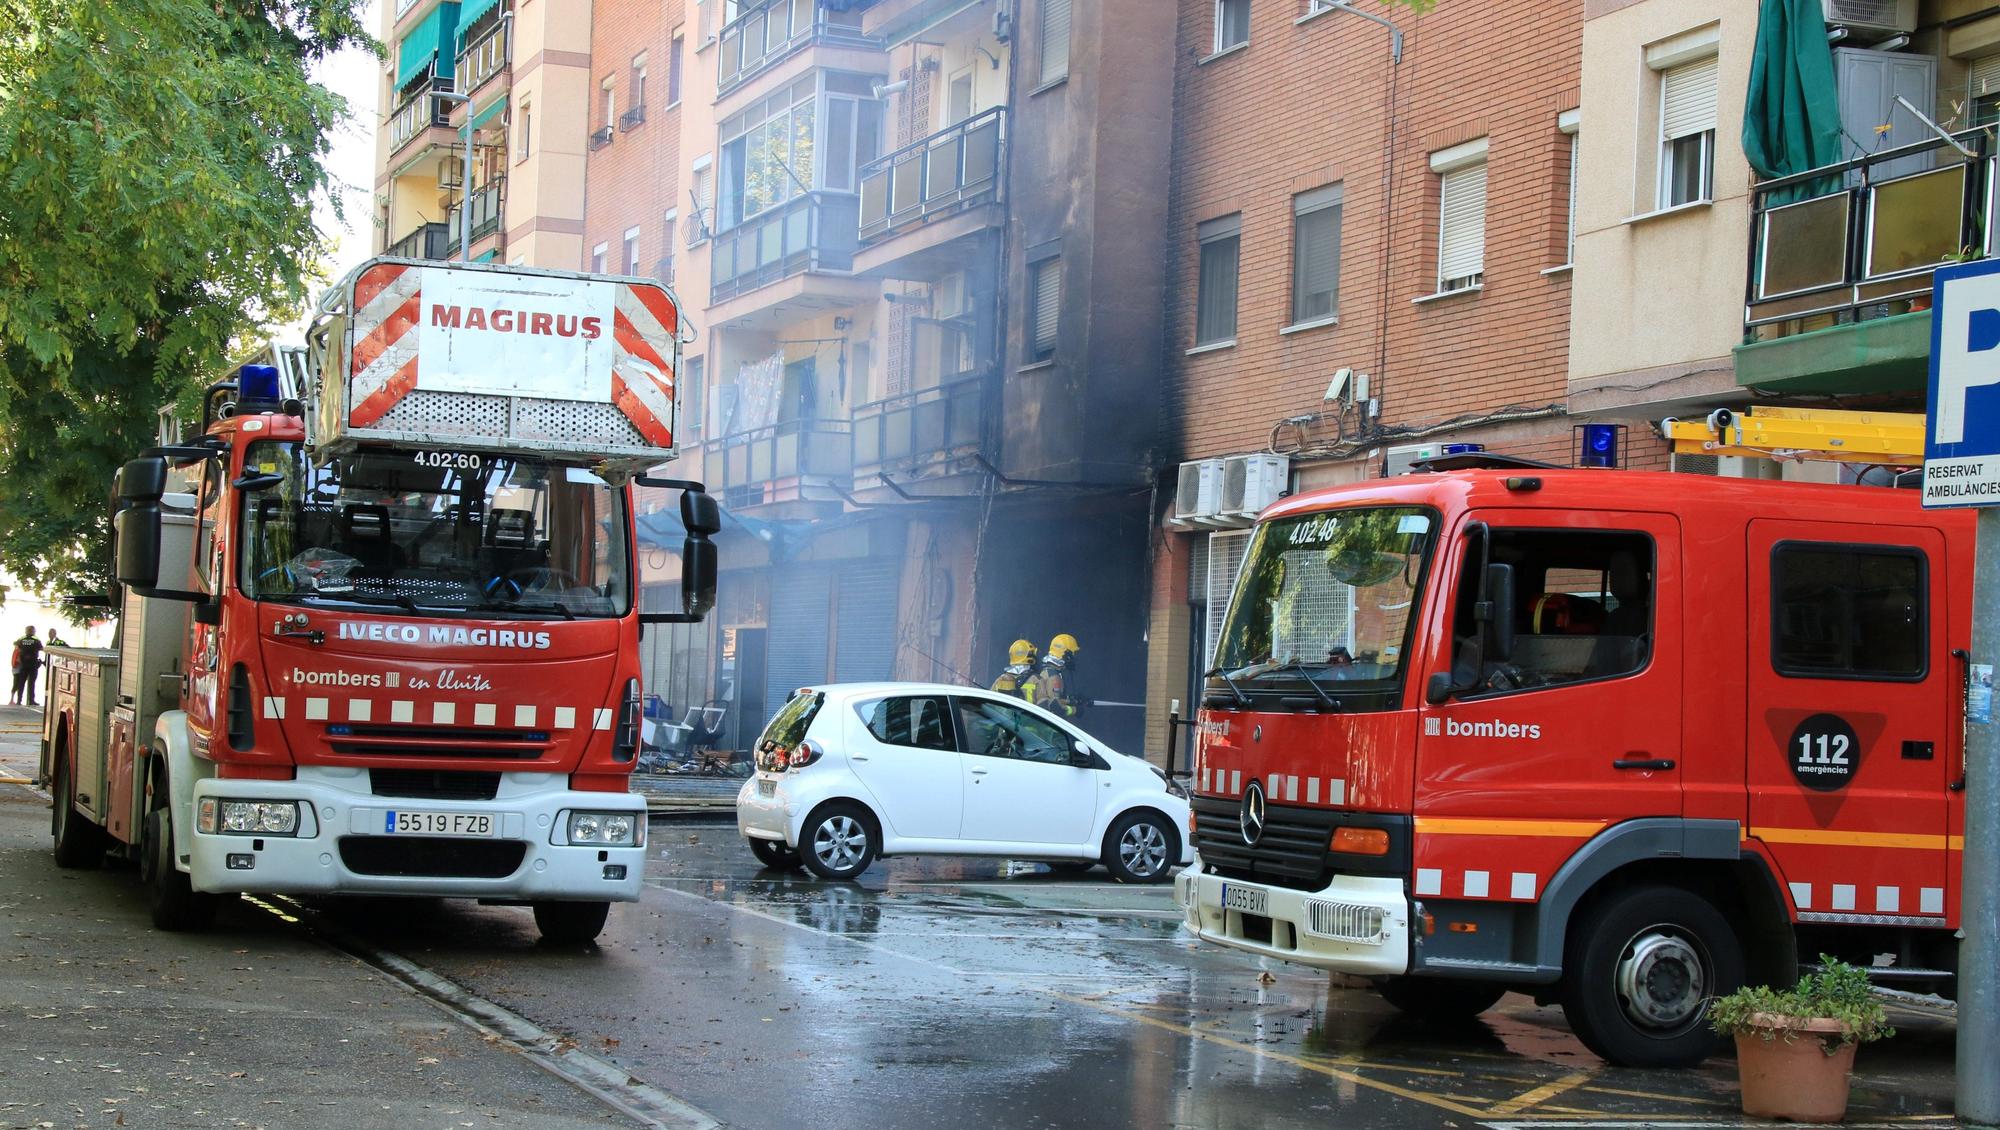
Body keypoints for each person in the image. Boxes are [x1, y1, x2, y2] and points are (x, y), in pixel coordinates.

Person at [1033, 633, 1082, 718]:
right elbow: (1055, 708)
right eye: (1073, 654)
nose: (1073, 658)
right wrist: (1075, 710)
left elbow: (1052, 699)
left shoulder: (1047, 672)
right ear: (1066, 655)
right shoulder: (1054, 678)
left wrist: (1070, 700)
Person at [10, 626, 44, 707]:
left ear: (26, 631)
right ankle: (31, 700)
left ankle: (19, 700)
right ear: (33, 631)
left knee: (21, 683)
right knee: (32, 683)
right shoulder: (36, 640)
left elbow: (16, 645)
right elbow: (42, 648)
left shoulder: (22, 639)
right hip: (33, 664)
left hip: (23, 664)